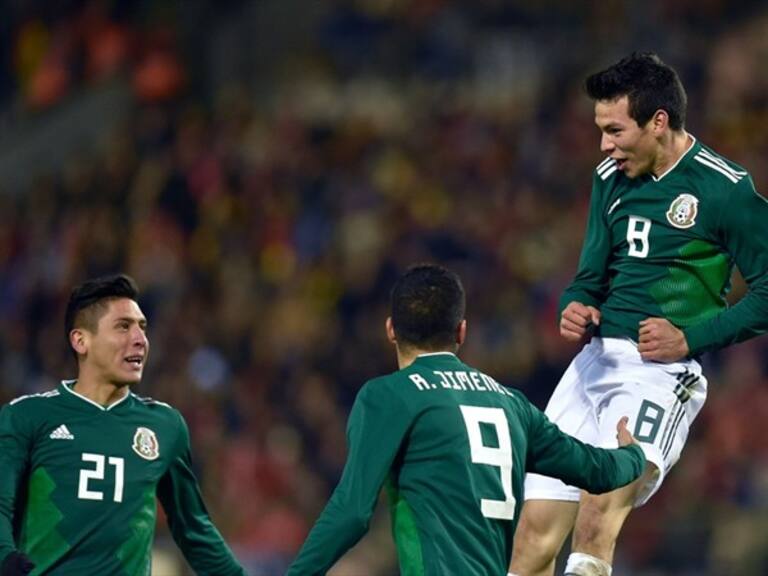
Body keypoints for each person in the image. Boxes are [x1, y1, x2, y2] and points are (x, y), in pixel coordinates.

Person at [509, 52, 768, 576]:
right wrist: (573, 305)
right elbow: (589, 276)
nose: (604, 144)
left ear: (658, 121)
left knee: (596, 512)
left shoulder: (724, 189)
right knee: (533, 534)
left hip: (658, 374)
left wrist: (690, 339)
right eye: (600, 130)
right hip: (591, 368)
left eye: (614, 130)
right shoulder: (610, 175)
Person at [287, 264, 646, 576]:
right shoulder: (512, 404)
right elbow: (597, 470)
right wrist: (633, 454)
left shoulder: (388, 396)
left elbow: (352, 512)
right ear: (461, 331)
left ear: (391, 329)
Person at [0, 274, 246, 576]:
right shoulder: (29, 416)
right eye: (123, 327)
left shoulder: (164, 426)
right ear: (81, 341)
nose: (140, 339)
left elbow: (193, 529)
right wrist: (4, 557)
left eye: (142, 327)